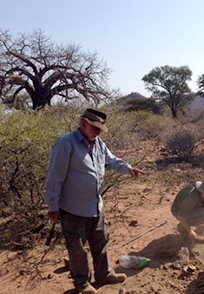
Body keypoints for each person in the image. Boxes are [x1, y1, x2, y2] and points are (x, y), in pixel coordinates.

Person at [45, 108, 145, 294]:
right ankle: (82, 284)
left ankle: (104, 274)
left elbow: (112, 161)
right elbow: (54, 177)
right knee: (77, 248)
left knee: (100, 241)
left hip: (95, 205)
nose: (98, 133)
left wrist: (128, 168)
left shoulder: (99, 144)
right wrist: (52, 206)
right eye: (95, 128)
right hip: (73, 208)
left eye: (100, 129)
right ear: (83, 124)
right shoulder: (65, 144)